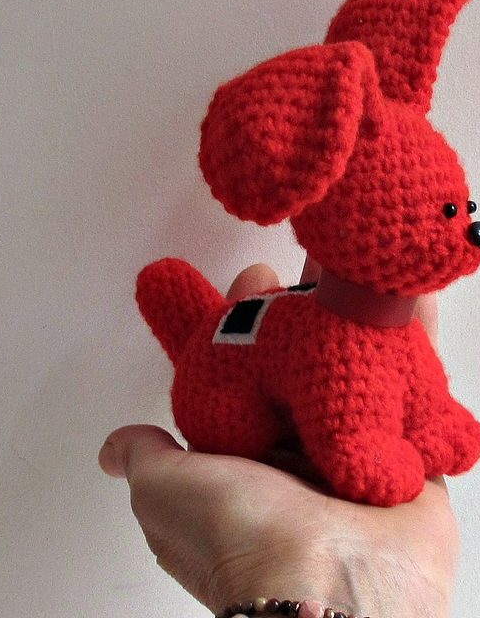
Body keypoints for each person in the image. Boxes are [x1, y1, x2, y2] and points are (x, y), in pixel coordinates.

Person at [99, 262, 460, 618]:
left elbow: (415, 375)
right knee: (237, 429)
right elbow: (340, 424)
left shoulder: (400, 335)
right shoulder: (331, 346)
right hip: (219, 375)